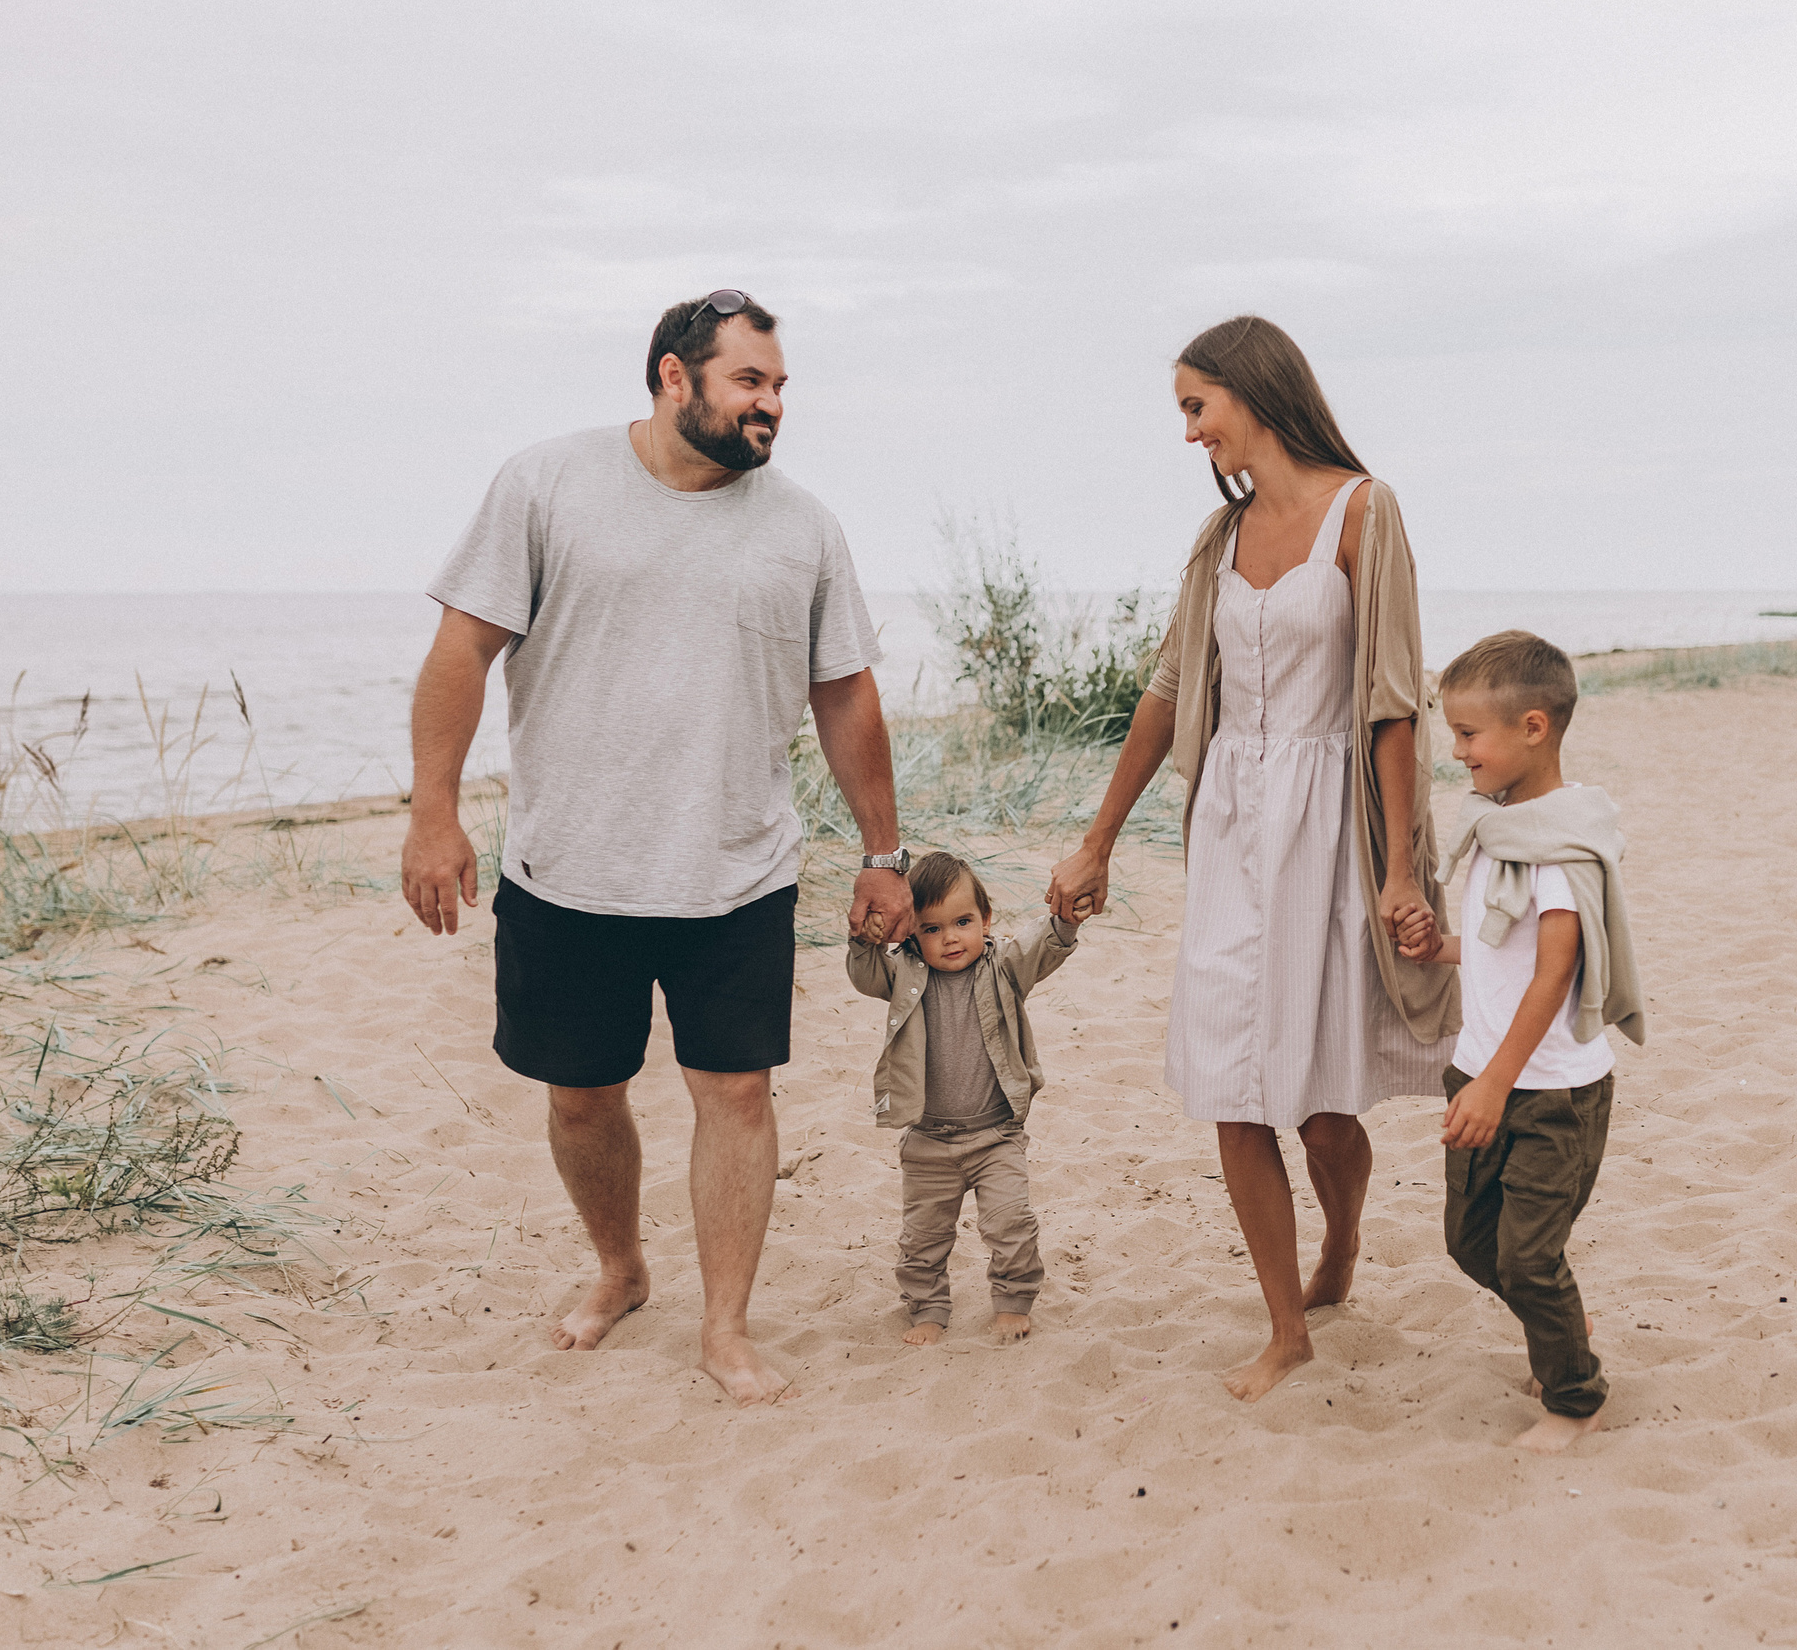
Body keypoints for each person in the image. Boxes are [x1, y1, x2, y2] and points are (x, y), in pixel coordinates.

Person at [399, 289, 915, 1407]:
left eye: (778, 385)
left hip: (736, 868)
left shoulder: (802, 528)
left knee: (735, 1091)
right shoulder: (546, 485)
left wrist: (885, 850)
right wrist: (432, 811)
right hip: (566, 865)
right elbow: (461, 650)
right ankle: (622, 1268)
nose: (771, 404)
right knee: (582, 1096)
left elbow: (846, 697)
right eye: (750, 381)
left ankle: (724, 1327)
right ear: (675, 377)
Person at [1045, 315, 1461, 1402]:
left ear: (1252, 391)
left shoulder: (1365, 513)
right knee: (1232, 1082)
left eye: (1196, 407)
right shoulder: (1214, 543)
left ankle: (1342, 1242)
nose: (1190, 434)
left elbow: (1391, 703)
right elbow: (1172, 689)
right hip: (1230, 824)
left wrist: (1402, 868)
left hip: (1330, 827)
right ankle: (1286, 1326)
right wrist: (1097, 841)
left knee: (1322, 1101)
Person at [1393, 631, 1646, 1452]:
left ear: (1533, 728)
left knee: (1528, 1258)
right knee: (1471, 1243)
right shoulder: (1503, 830)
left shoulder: (1559, 848)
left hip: (1551, 1091)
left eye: (1469, 735)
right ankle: (1558, 1318)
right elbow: (1505, 948)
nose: (1456, 752)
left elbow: (1554, 971)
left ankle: (1574, 1395)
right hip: (1484, 1071)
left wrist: (1497, 1085)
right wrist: (1443, 948)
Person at [847, 852, 1083, 1346]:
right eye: (931, 929)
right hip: (929, 1139)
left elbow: (1043, 947)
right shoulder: (904, 974)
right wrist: (865, 938)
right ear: (911, 933)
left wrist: (1064, 920)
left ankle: (1014, 1299)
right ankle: (928, 1307)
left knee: (1010, 1223)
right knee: (922, 1239)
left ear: (986, 919)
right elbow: (866, 974)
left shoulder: (1004, 968)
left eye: (962, 922)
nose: (950, 938)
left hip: (996, 1134)